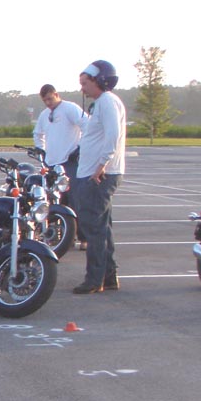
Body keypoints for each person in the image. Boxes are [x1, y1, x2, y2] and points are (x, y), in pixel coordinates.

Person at [71, 60, 127, 294]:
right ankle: (108, 276)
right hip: (94, 173)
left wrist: (101, 165)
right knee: (102, 228)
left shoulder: (107, 102)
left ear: (99, 81)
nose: (82, 88)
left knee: (94, 229)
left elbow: (113, 135)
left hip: (99, 175)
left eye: (85, 83)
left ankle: (95, 280)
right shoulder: (103, 103)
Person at [33, 82, 88, 248]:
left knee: (75, 199)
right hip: (52, 163)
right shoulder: (45, 115)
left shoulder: (70, 108)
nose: (48, 103)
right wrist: (41, 150)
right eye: (45, 101)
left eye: (50, 99)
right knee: (55, 201)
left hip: (70, 162)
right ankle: (61, 236)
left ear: (56, 95)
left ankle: (83, 237)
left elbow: (87, 126)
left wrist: (80, 148)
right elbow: (37, 133)